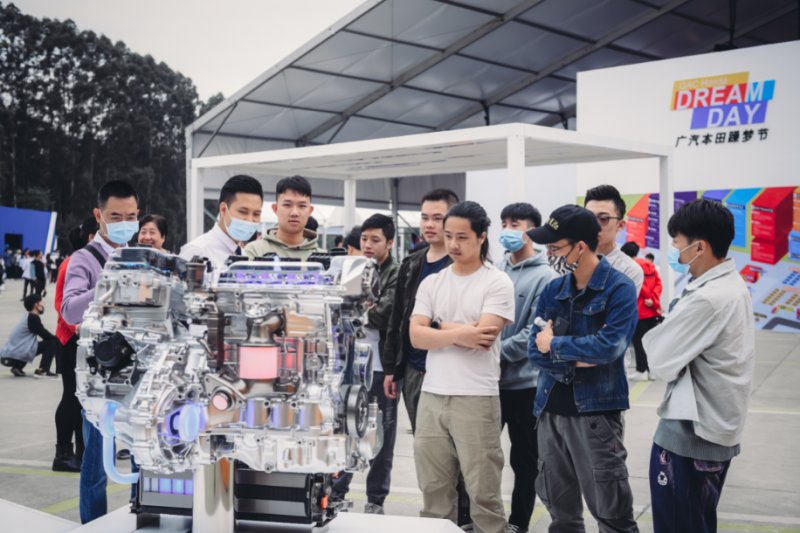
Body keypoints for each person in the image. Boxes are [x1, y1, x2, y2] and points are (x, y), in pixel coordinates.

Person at [642, 199, 754, 533]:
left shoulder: (708, 298)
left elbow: (659, 360)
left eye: (677, 243)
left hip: (691, 436)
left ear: (699, 247)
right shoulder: (732, 285)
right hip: (716, 429)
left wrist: (673, 350)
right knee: (698, 522)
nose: (674, 252)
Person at [527, 204, 639, 533]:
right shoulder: (553, 289)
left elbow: (609, 348)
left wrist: (555, 346)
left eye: (554, 246)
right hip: (549, 412)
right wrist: (578, 354)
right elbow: (533, 350)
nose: (549, 253)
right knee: (561, 516)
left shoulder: (619, 288)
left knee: (612, 515)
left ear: (579, 246)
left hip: (595, 417)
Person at [410, 201, 514, 533]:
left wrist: (437, 327)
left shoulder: (497, 282)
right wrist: (458, 332)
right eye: (449, 236)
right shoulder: (432, 282)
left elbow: (483, 337)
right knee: (433, 491)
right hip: (432, 395)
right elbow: (415, 336)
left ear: (482, 237)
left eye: (462, 237)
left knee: (484, 493)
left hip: (476, 397)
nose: (453, 244)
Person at [62, 180, 140, 524]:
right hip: (101, 379)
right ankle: (93, 526)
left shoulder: (140, 257)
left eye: (131, 216)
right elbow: (68, 310)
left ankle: (143, 518)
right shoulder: (85, 258)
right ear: (99, 216)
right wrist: (109, 285)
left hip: (141, 376)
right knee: (96, 466)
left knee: (143, 459)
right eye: (116, 216)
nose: (125, 223)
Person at [331, 214, 400, 515]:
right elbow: (336, 312)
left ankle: (375, 500)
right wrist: (364, 309)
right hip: (349, 363)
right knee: (343, 429)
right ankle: (336, 492)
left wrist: (357, 311)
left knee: (380, 435)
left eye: (375, 240)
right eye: (364, 239)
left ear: (389, 242)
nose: (368, 245)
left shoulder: (395, 273)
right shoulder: (351, 269)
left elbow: (386, 314)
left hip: (382, 367)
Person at [496, 203, 552, 533]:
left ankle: (518, 522)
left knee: (525, 460)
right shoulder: (494, 269)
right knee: (481, 456)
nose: (507, 229)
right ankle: (478, 517)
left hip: (525, 385)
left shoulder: (546, 277)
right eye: (503, 223)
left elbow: (534, 332)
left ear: (531, 231)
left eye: (514, 224)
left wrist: (495, 353)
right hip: (488, 383)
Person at [52, 217, 99, 473]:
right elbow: (62, 304)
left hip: (87, 339)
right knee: (71, 396)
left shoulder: (92, 261)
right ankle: (62, 454)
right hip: (71, 339)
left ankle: (82, 451)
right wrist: (76, 327)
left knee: (85, 400)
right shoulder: (72, 262)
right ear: (92, 237)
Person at [180, 175, 263, 267]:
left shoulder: (243, 255)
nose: (250, 220)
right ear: (223, 209)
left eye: (256, 214)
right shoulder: (197, 251)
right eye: (243, 212)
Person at [584, 185, 644, 295]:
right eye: (588, 217)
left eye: (603, 219)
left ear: (620, 225)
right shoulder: (569, 261)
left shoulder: (629, 270)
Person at [245, 176, 323, 260]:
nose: (294, 213)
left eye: (302, 206)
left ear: (310, 211)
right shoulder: (255, 251)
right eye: (287, 205)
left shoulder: (323, 257)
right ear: (275, 209)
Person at [620, 241, 662, 381]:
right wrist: (654, 302)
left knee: (638, 341)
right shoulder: (651, 265)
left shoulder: (631, 266)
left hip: (640, 310)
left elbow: (639, 285)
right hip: (652, 310)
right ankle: (651, 371)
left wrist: (648, 298)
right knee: (651, 342)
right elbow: (658, 284)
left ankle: (641, 370)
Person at [0, 294, 58, 378]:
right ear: (36, 305)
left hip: (13, 351)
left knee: (31, 344)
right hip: (17, 351)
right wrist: (58, 343)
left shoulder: (28, 317)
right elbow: (45, 335)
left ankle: (18, 366)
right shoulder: (33, 318)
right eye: (42, 302)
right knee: (51, 342)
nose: (43, 305)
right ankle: (43, 370)